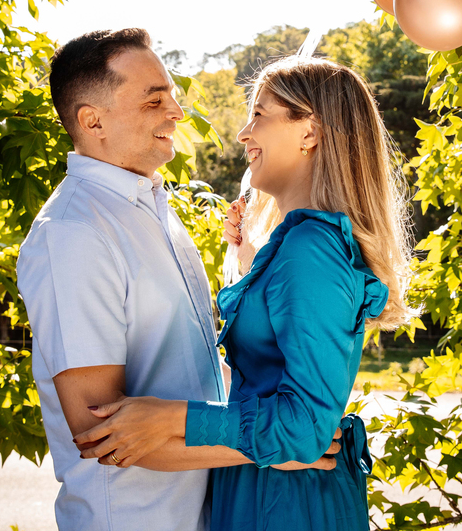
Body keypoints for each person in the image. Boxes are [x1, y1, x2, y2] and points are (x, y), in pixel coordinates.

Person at [15, 29, 339, 531]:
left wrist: (290, 422)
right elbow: (99, 429)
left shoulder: (154, 211)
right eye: (154, 100)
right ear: (91, 120)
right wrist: (270, 447)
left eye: (172, 95)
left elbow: (195, 368)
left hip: (206, 514)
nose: (177, 113)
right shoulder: (75, 233)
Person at [75, 56, 413, 531]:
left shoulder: (310, 250)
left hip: (287, 504)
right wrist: (251, 261)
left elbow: (306, 428)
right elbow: (270, 364)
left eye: (260, 115)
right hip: (265, 485)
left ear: (309, 133)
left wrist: (171, 419)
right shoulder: (296, 246)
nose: (243, 134)